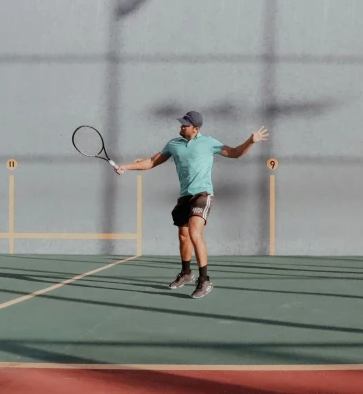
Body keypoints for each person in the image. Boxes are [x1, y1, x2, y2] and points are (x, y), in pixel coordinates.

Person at [115, 111, 269, 298]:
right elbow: (152, 162)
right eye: (181, 124)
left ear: (196, 129)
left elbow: (235, 153)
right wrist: (125, 167)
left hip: (203, 195)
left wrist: (251, 141)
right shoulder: (173, 144)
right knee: (183, 236)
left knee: (195, 233)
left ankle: (205, 280)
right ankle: (186, 273)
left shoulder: (209, 142)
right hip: (184, 196)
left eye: (185, 125)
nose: (181, 127)